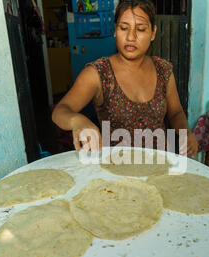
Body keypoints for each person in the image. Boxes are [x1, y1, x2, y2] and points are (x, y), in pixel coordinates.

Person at [51, 0, 198, 157]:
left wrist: (185, 133)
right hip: (116, 168)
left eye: (140, 29)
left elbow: (175, 112)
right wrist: (77, 121)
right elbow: (60, 111)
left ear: (153, 33)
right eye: (124, 28)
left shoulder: (163, 70)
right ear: (115, 30)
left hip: (159, 164)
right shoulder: (99, 73)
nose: (131, 37)